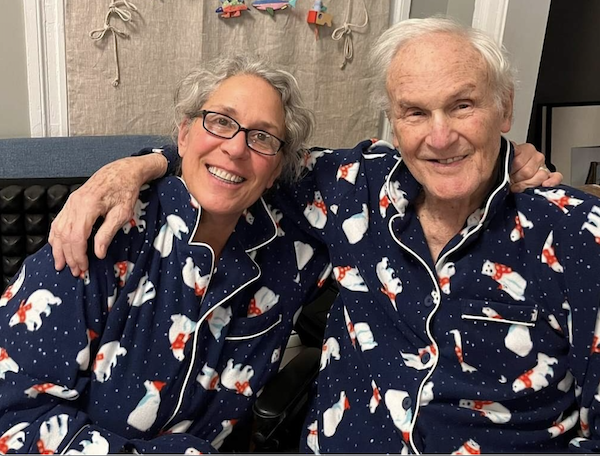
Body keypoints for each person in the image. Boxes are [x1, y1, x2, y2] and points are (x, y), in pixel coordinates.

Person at [45, 21, 568, 454]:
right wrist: (135, 165)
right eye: (414, 111)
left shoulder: (570, 233)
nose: (439, 134)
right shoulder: (101, 234)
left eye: (462, 106)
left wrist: (504, 158)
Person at [0, 56, 331, 454]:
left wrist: (150, 160)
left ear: (277, 168)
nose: (237, 147)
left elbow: (377, 170)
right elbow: (12, 418)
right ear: (184, 135)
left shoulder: (293, 245)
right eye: (221, 121)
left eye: (262, 136)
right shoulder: (101, 235)